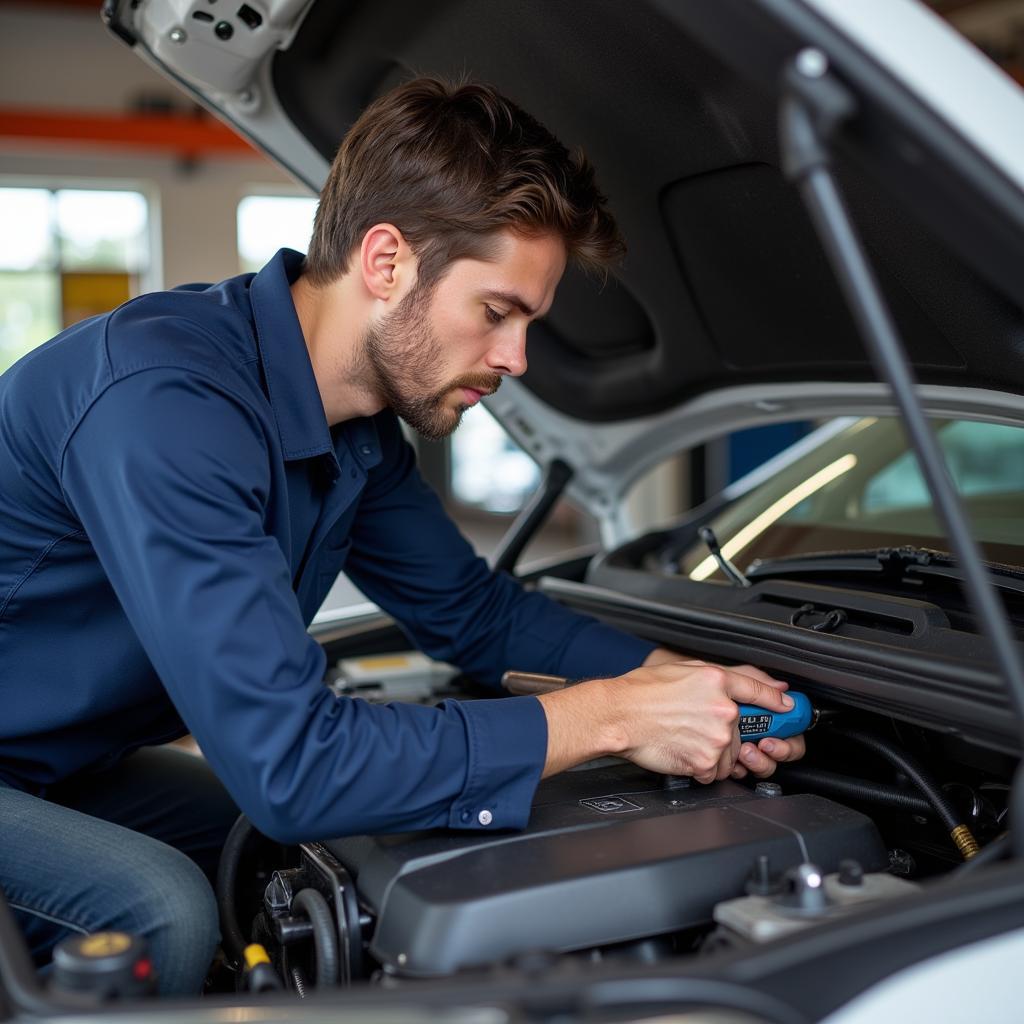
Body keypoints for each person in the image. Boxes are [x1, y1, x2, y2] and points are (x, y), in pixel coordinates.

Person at [0, 77, 804, 995]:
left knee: (286, 849)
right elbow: (293, 763)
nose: (515, 359)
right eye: (497, 312)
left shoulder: (361, 432)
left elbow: (474, 615)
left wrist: (667, 679)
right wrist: (611, 717)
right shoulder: (163, 404)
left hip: (58, 764)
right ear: (386, 263)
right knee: (161, 908)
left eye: (528, 324)